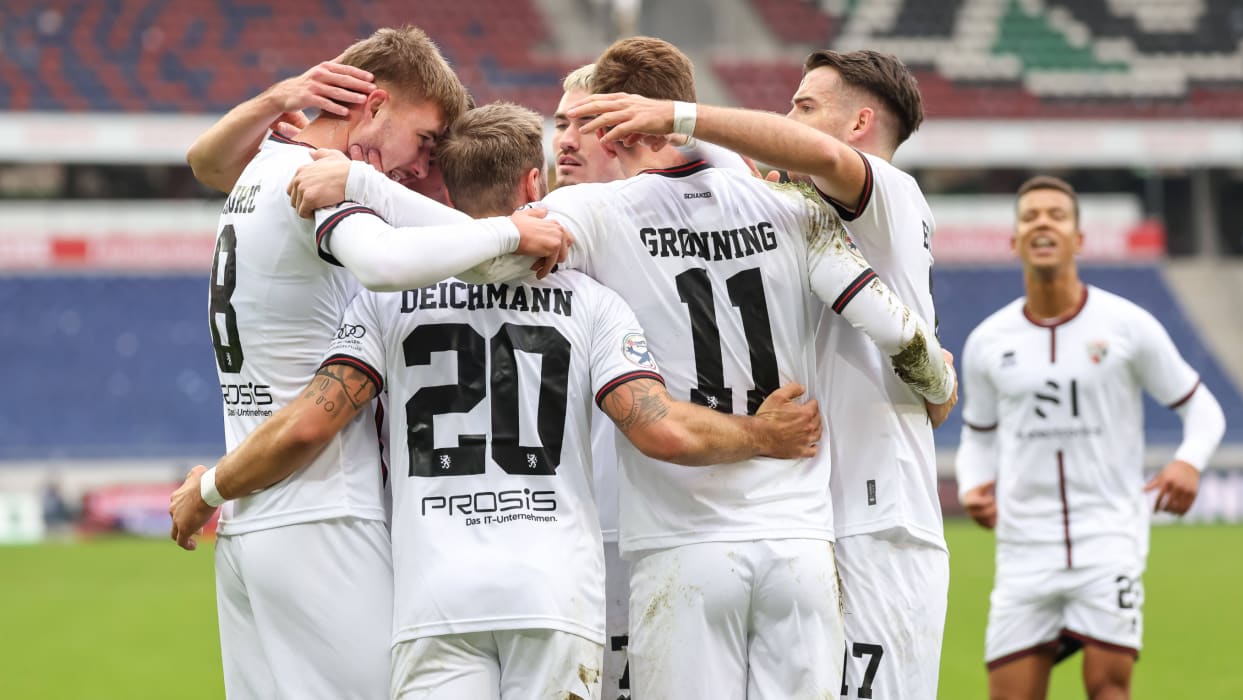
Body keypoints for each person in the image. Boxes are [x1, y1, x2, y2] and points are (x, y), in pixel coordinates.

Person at [292, 36, 956, 700]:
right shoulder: (790, 206)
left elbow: (495, 245)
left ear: (619, 120)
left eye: (586, 120)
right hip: (799, 544)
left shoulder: (597, 213)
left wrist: (364, 188)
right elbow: (894, 328)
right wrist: (939, 382)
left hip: (681, 544)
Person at [181, 101, 823, 700]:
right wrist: (763, 434)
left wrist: (212, 487)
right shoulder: (592, 303)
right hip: (554, 596)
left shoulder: (387, 303)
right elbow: (661, 431)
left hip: (436, 601)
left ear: (446, 189)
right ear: (535, 183)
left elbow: (309, 420)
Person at [167, 27, 570, 700]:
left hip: (250, 522)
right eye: (425, 140)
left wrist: (278, 100)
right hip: (324, 512)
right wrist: (509, 231)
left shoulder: (264, 163)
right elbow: (385, 263)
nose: (417, 166)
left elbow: (205, 163)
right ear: (374, 104)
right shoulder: (321, 184)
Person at [567, 48, 956, 699]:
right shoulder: (797, 211)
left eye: (804, 107)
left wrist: (676, 115)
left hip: (876, 517)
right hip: (813, 518)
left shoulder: (884, 190)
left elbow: (810, 157)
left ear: (859, 123)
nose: (785, 120)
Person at [954, 175, 1225, 700]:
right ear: (1014, 241)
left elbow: (1203, 410)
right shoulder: (988, 341)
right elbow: (978, 435)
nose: (1043, 224)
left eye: (1056, 215)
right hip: (1024, 551)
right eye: (1030, 216)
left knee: (1108, 689)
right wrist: (972, 484)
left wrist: (1188, 461)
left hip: (1107, 541)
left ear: (1078, 239)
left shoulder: (1127, 326)